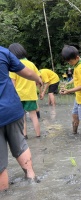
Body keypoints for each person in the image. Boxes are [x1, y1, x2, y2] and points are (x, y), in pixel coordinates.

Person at [0, 45, 42, 191]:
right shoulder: (3, 52)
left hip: (19, 98)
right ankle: (31, 177)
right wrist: (39, 80)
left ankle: (4, 192)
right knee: (20, 142)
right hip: (12, 105)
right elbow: (30, 73)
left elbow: (14, 80)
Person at [9, 43, 41, 139]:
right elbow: (38, 78)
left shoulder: (14, 66)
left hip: (19, 96)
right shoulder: (31, 64)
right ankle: (38, 135)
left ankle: (25, 135)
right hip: (30, 95)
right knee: (34, 116)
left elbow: (12, 83)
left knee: (22, 117)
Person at [60, 45, 81, 138]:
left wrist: (68, 91)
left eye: (70, 61)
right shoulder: (80, 62)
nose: (69, 63)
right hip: (79, 96)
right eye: (68, 61)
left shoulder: (79, 68)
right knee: (74, 115)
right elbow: (76, 77)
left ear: (77, 57)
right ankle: (74, 134)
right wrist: (68, 84)